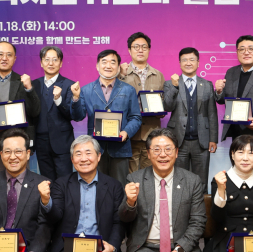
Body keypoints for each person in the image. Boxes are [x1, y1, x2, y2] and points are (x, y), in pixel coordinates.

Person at [71, 49, 142, 186]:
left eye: (112, 62)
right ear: (97, 66)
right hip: (95, 149)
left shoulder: (128, 90)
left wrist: (126, 132)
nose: (108, 66)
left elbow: (136, 117)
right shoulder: (86, 90)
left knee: (119, 187)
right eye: (104, 62)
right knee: (96, 188)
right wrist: (75, 98)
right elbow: (78, 116)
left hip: (120, 149)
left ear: (118, 67)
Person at [215, 35, 253, 177]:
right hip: (238, 136)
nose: (246, 52)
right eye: (242, 49)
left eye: (250, 49)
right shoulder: (231, 73)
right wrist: (219, 91)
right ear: (237, 52)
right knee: (239, 177)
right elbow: (224, 100)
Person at [162, 47, 218, 191]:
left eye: (192, 60)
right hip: (178, 141)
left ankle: (200, 206)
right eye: (184, 60)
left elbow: (212, 113)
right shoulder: (170, 83)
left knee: (201, 181)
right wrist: (175, 87)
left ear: (198, 63)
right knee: (178, 181)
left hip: (202, 141)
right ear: (179, 63)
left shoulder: (207, 85)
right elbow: (167, 107)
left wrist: (213, 138)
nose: (188, 63)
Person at [0, 41, 41, 174]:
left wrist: (29, 89)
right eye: (0, 54)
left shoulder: (23, 81)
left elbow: (35, 112)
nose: (4, 58)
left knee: (21, 181)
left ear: (14, 58)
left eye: (9, 55)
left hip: (18, 141)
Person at [119, 32, 166, 173]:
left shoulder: (158, 75)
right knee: (130, 175)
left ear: (149, 50)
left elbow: (163, 103)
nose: (140, 50)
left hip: (151, 134)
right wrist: (120, 76)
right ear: (129, 50)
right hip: (129, 134)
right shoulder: (121, 74)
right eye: (136, 47)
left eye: (144, 47)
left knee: (150, 175)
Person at [31, 46, 76, 180]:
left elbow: (72, 114)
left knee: (64, 182)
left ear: (61, 63)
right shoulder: (34, 85)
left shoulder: (69, 85)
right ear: (41, 63)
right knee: (46, 181)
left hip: (62, 143)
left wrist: (58, 100)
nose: (51, 63)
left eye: (55, 60)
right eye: (47, 60)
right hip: (41, 143)